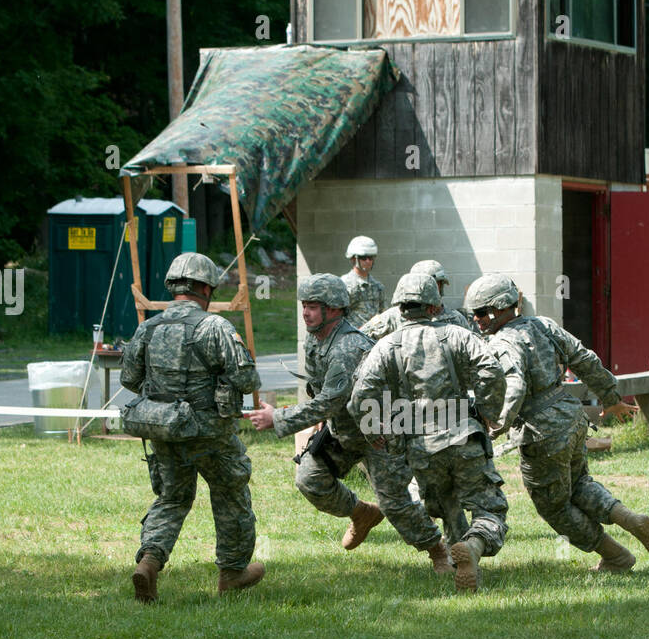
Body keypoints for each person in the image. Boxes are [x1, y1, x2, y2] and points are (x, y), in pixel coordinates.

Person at [243, 273, 453, 574]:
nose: (305, 312)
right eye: (304, 305)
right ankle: (362, 514)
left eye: (313, 306)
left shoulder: (348, 347)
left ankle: (438, 551)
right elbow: (320, 392)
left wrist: (278, 417)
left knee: (396, 504)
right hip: (344, 432)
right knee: (309, 479)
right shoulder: (317, 342)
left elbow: (331, 400)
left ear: (334, 309)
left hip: (378, 432)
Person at [467, 273, 649, 573]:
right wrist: (610, 398)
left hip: (541, 433)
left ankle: (615, 556)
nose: (476, 319)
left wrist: (494, 426)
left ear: (497, 309)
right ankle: (629, 518)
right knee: (579, 484)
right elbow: (584, 358)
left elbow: (516, 387)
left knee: (555, 507)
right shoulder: (543, 325)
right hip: (571, 417)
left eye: (481, 313)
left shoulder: (502, 344)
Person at [348, 273, 508, 592]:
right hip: (464, 433)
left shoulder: (386, 346)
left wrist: (372, 430)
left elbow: (360, 395)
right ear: (435, 307)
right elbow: (492, 371)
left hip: (421, 445)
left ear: (400, 308)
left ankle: (454, 558)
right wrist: (490, 413)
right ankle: (473, 547)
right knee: (489, 507)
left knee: (447, 506)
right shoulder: (458, 335)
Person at [120, 252, 264, 601]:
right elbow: (247, 379)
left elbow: (129, 378)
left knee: (172, 498)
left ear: (173, 287)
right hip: (209, 432)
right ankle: (232, 573)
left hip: (164, 429)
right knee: (230, 493)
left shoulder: (148, 328)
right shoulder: (215, 327)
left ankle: (149, 563)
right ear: (204, 287)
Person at [360, 260, 475, 340]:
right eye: (429, 285)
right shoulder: (394, 316)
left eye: (438, 284)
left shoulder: (456, 318)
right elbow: (361, 337)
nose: (435, 289)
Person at [342, 235, 385, 327]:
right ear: (353, 258)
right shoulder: (344, 285)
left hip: (375, 337)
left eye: (371, 258)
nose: (368, 261)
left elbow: (383, 313)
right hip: (352, 337)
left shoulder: (378, 286)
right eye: (364, 258)